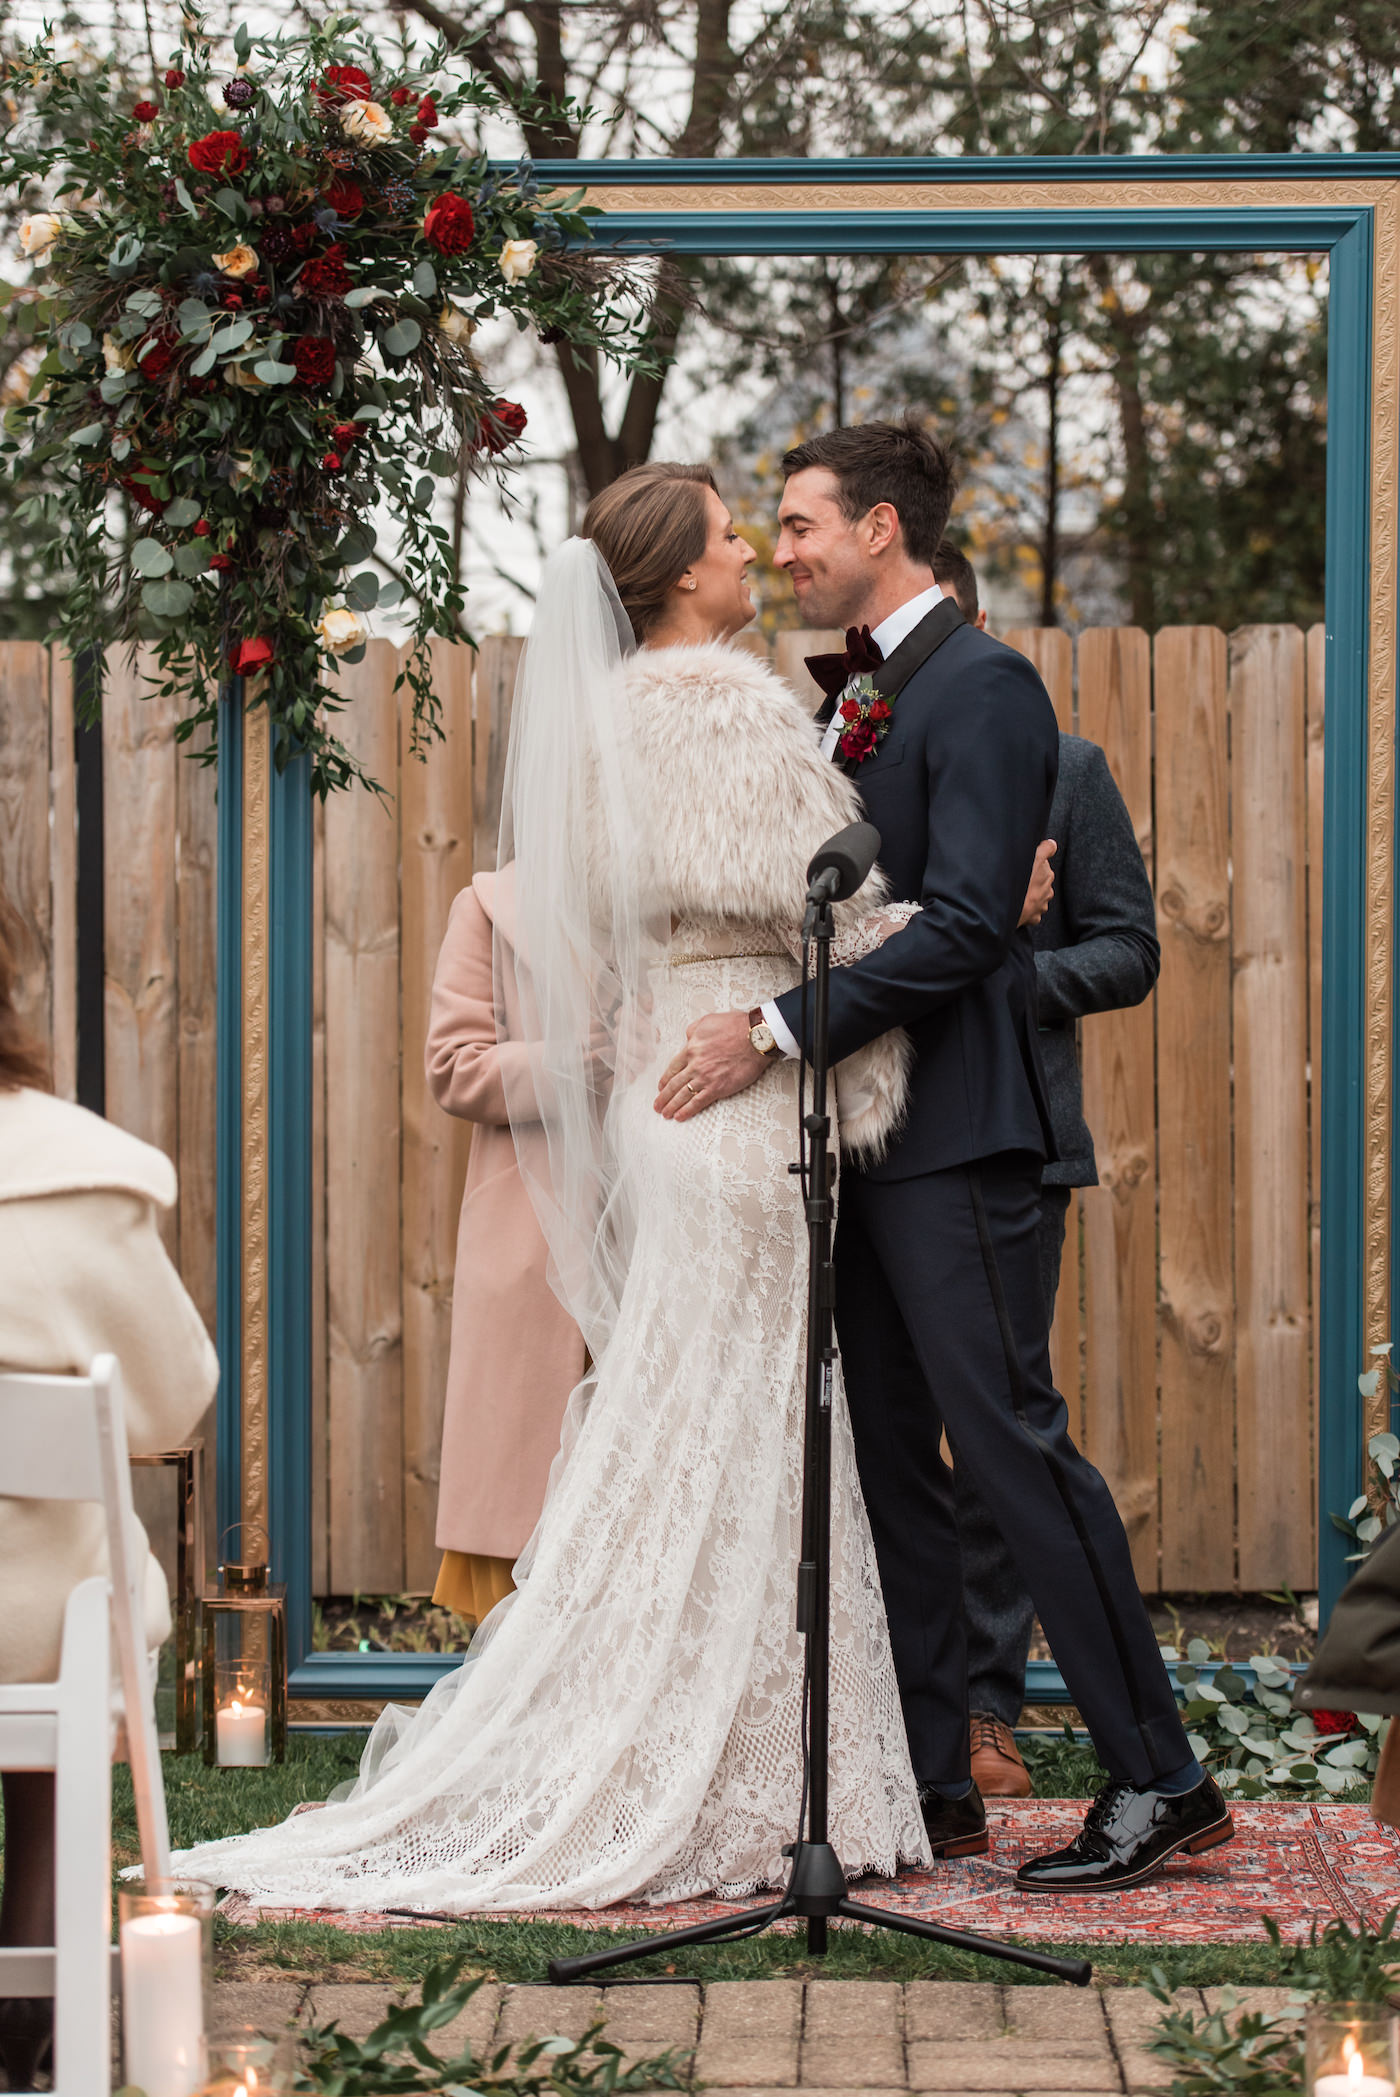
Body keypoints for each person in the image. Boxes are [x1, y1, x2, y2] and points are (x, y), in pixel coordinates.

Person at [166, 464, 931, 1914]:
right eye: (722, 538)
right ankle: (722, 1767)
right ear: (672, 577)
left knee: (706, 1417)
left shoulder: (601, 729)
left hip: (672, 1095)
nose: (747, 550)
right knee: (747, 1426)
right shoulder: (720, 706)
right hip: (740, 1102)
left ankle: (715, 1744)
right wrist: (962, 911)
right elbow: (813, 909)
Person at [660, 419, 1232, 1892]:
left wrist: (776, 1029)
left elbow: (974, 925)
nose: (782, 551)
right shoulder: (860, 697)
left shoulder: (983, 687)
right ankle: (932, 1782)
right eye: (775, 529)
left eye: (800, 524)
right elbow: (871, 891)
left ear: (884, 528)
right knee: (891, 1470)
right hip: (872, 1146)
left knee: (1011, 1447)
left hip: (967, 1137)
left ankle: (1160, 1774)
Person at [930, 538, 1161, 1802]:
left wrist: (1011, 970)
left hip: (1020, 1148)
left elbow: (1129, 950)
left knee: (997, 1448)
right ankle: (897, 1716)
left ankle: (985, 1712)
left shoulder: (1068, 774)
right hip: (875, 1152)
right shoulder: (871, 775)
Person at [0, 886, 218, 2087]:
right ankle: (35, 2004)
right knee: (75, 1608)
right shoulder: (72, 1179)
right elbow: (173, 1400)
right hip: (33, 1629)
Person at [426, 871, 588, 1625]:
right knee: (522, 1525)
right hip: (532, 1252)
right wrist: (571, 1063)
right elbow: (454, 1066)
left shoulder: (676, 901)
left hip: (661, 1247)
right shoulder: (489, 907)